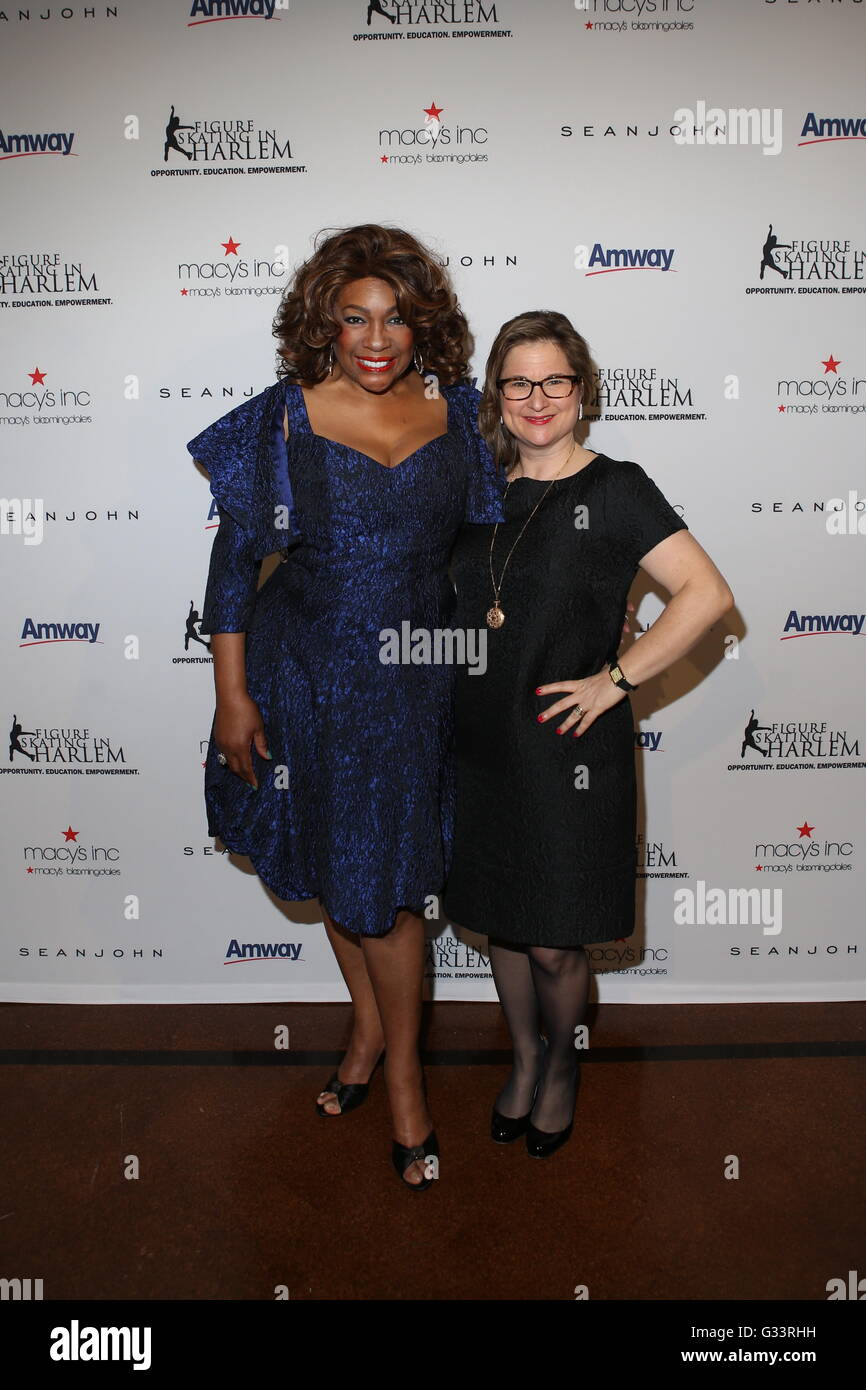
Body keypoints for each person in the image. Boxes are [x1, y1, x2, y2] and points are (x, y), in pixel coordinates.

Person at [186, 224, 504, 1188]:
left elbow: (496, 552)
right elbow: (233, 570)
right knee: (337, 864)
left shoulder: (464, 417)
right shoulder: (281, 421)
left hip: (412, 680)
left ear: (424, 325)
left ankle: (403, 1076)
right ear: (323, 323)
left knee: (388, 889)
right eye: (354, 316)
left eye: (396, 317)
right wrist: (231, 695)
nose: (377, 337)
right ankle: (368, 1032)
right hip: (303, 674)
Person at [443, 310, 734, 1157]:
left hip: (568, 749)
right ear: (496, 394)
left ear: (582, 391)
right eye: (518, 381)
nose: (537, 398)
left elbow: (706, 595)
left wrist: (616, 682)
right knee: (502, 923)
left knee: (555, 938)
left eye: (555, 381)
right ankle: (527, 1059)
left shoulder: (615, 487)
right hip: (482, 743)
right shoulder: (476, 492)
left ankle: (564, 1067)